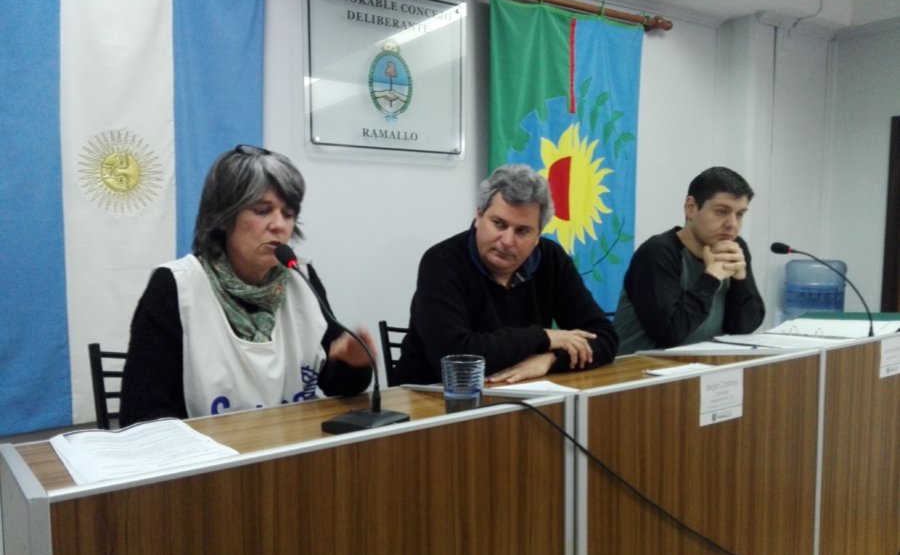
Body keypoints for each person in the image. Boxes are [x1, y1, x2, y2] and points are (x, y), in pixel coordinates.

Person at [120, 145, 373, 425]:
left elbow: (338, 386)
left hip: (291, 446)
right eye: (262, 210)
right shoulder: (176, 286)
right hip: (209, 451)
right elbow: (143, 414)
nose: (279, 225)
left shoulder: (302, 278)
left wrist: (352, 363)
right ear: (223, 217)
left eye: (288, 213)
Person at [392, 164, 618, 385]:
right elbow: (454, 358)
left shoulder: (551, 259)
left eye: (522, 231)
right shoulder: (442, 261)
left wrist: (551, 359)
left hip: (520, 394)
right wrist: (543, 337)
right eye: (499, 224)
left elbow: (604, 336)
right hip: (431, 395)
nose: (507, 241)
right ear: (479, 216)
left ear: (538, 235)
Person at [613, 166, 765, 354]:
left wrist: (740, 281)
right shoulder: (658, 252)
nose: (732, 224)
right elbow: (669, 334)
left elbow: (743, 329)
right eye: (721, 211)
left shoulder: (734, 248)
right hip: (639, 367)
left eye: (740, 214)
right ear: (691, 208)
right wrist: (711, 278)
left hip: (702, 366)